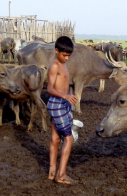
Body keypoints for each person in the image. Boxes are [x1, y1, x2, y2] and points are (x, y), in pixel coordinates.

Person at [46, 36, 78, 185]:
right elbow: (50, 88)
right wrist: (65, 96)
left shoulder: (62, 64)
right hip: (57, 104)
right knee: (69, 138)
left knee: (55, 138)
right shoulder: (54, 66)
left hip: (62, 103)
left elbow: (63, 84)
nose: (66, 58)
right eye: (64, 55)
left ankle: (52, 172)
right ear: (56, 51)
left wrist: (68, 95)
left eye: (68, 56)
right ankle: (61, 175)